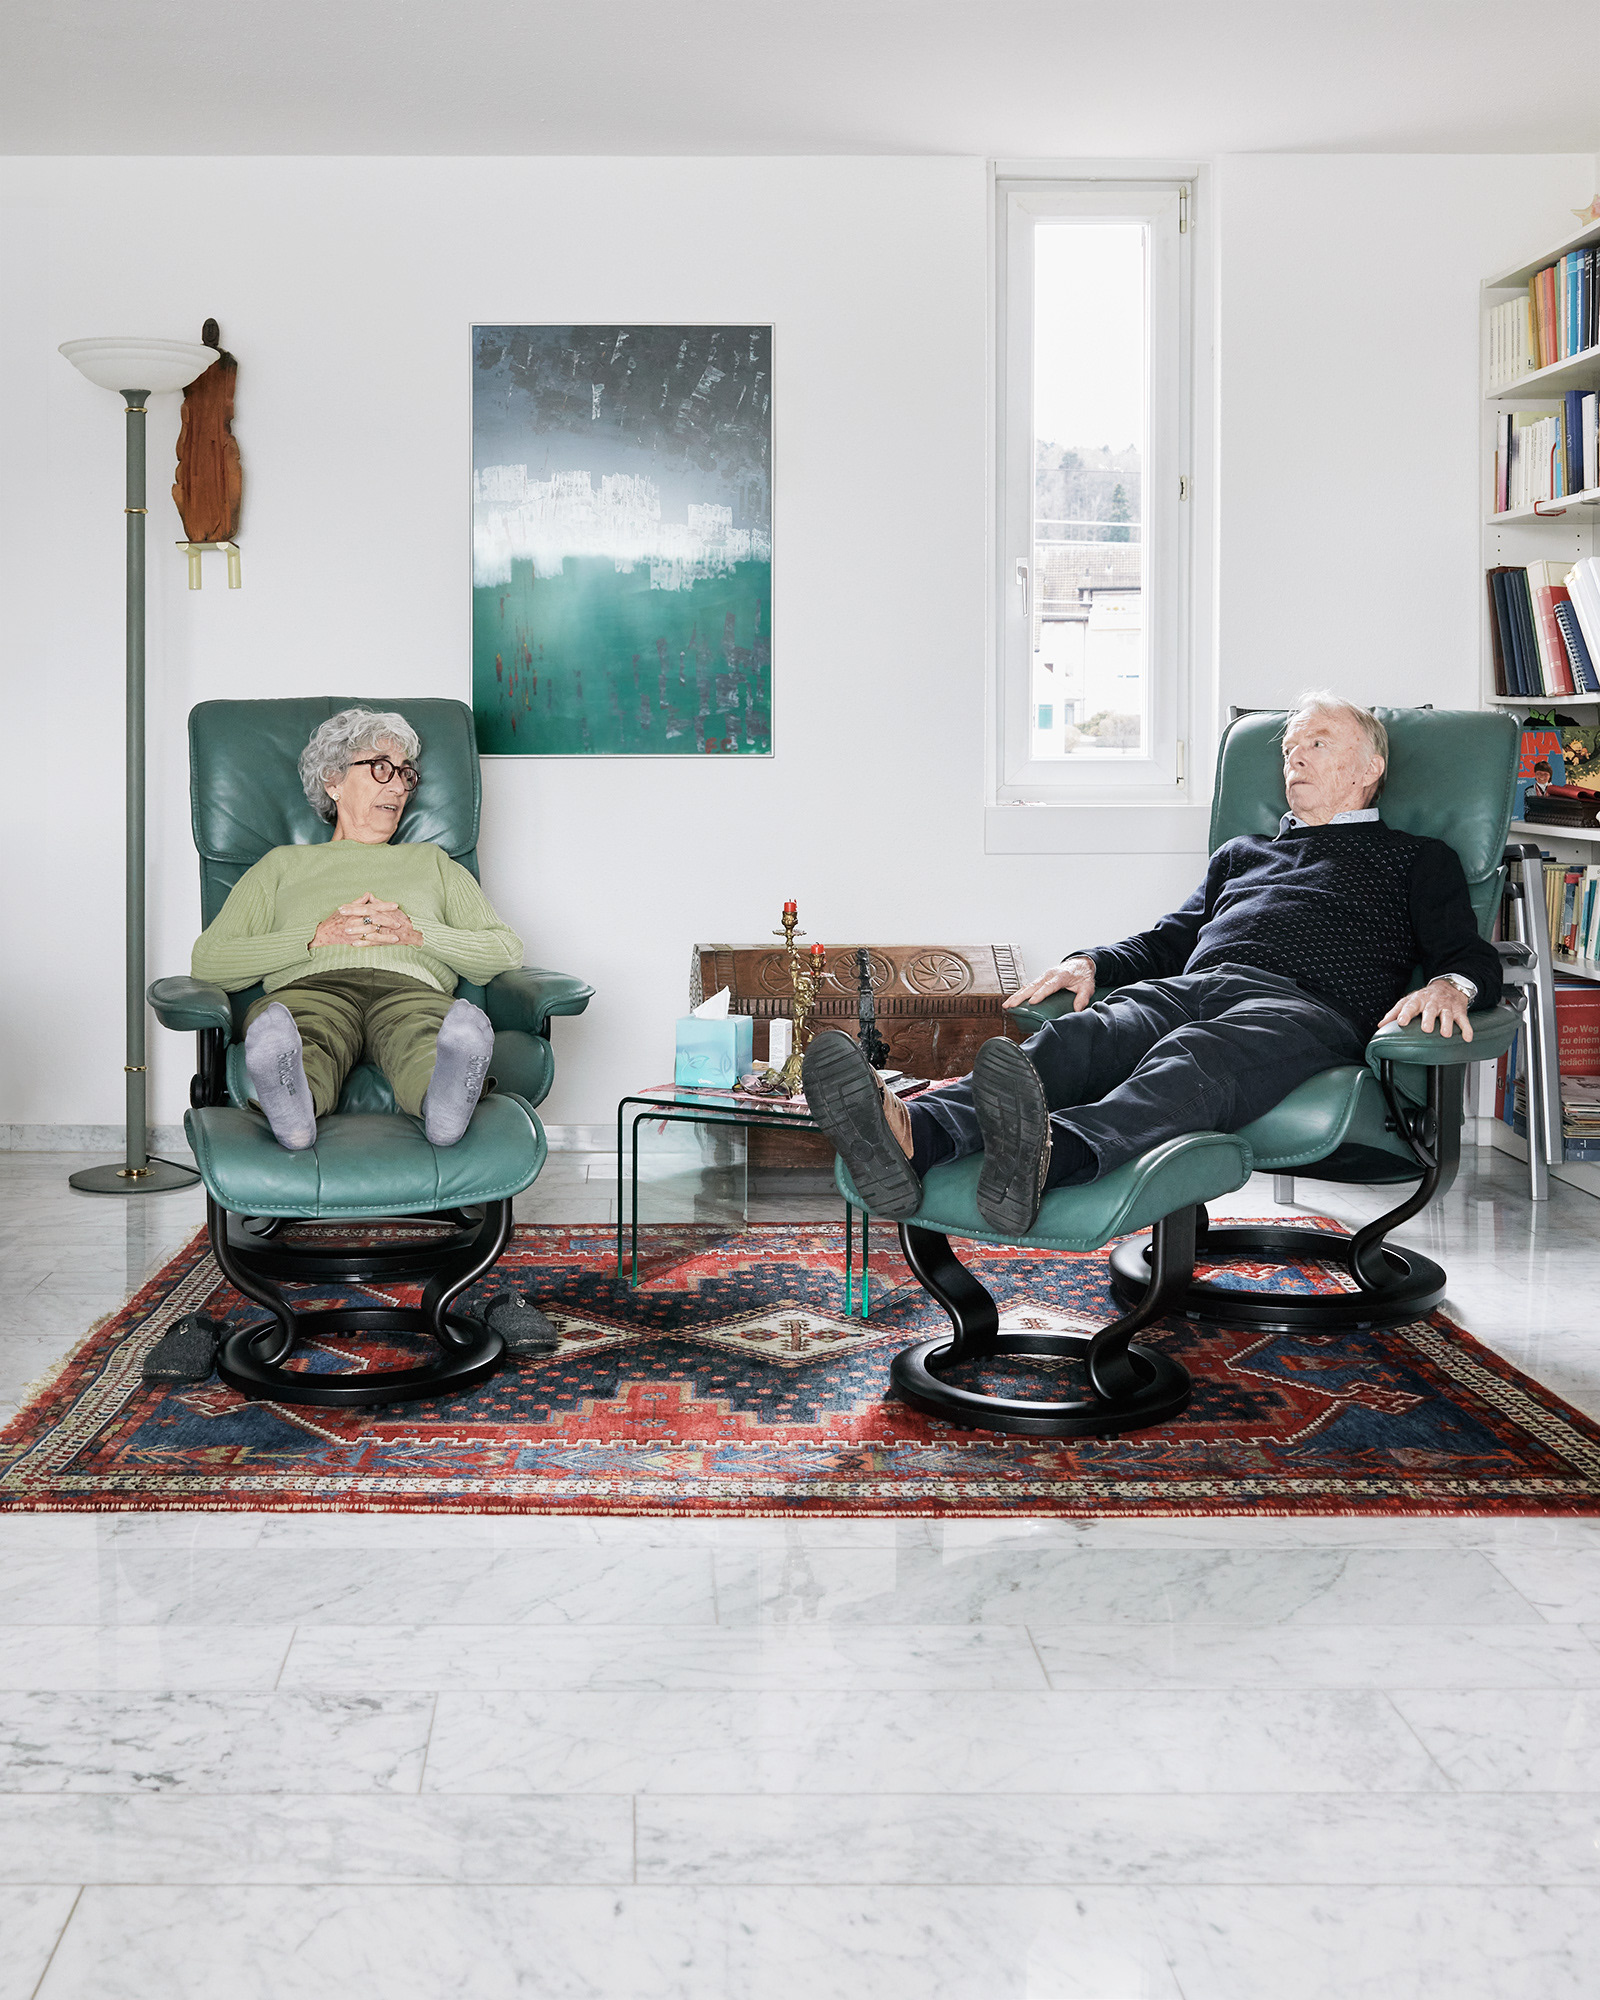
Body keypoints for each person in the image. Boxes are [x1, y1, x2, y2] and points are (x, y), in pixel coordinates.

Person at [803, 692, 1502, 1235]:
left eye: (1317, 743)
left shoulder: (1415, 858)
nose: (1295, 758)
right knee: (1084, 1035)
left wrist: (1452, 984)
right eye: (1290, 747)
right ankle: (913, 1133)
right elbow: (1173, 938)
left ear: (1371, 769)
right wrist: (1090, 962)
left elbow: (1467, 951)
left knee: (1197, 1055)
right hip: (1193, 985)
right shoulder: (1243, 854)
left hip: (1301, 1008)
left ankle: (1053, 1155)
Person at [191, 707, 523, 1152]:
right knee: (303, 1038)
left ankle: (444, 1106)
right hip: (309, 991)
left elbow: (505, 950)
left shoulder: (433, 862)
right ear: (333, 780)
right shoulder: (282, 865)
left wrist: (418, 934)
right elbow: (209, 961)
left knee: (426, 1038)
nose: (399, 787)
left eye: (406, 774)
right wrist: (313, 938)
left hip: (412, 992)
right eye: (382, 768)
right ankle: (293, 1111)